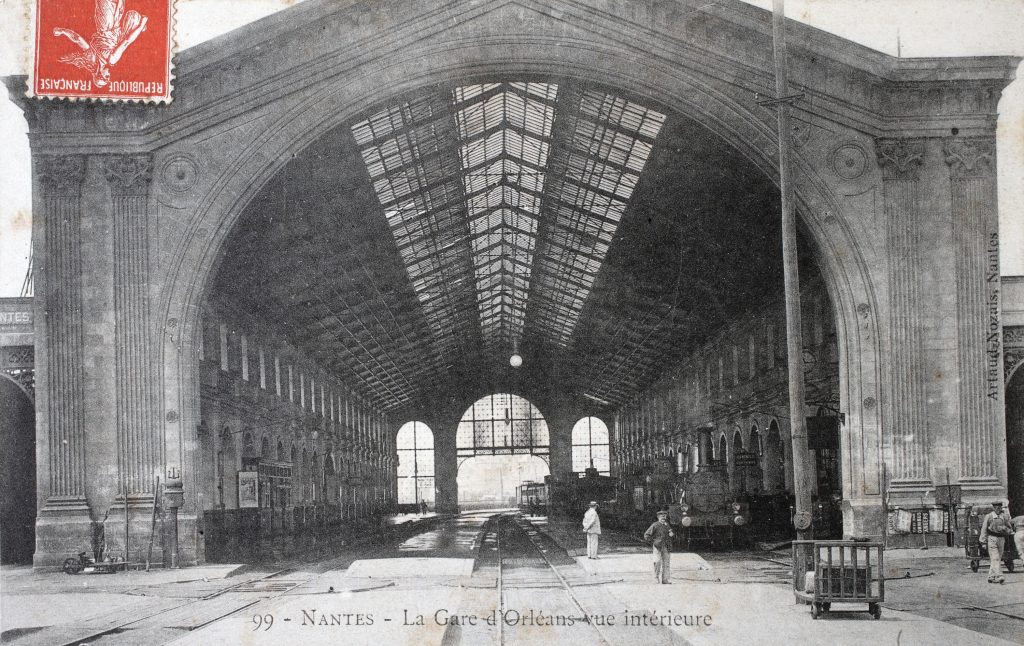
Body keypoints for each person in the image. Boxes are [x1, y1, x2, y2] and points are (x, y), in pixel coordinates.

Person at [980, 500, 1013, 583]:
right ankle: (999, 576)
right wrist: (983, 542)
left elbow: (1009, 528)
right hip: (992, 539)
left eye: (1000, 507)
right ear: (993, 508)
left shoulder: (1004, 516)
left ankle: (991, 576)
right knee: (995, 557)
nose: (998, 509)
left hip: (1001, 539)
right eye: (996, 507)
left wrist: (1006, 530)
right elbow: (984, 529)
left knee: (997, 558)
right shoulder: (989, 516)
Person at [644, 509, 674, 584]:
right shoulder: (655, 525)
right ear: (658, 517)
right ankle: (656, 578)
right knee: (657, 562)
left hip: (666, 546)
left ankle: (665, 579)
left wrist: (672, 535)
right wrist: (654, 542)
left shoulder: (667, 525)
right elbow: (646, 535)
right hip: (658, 547)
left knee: (666, 563)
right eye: (661, 516)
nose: (663, 517)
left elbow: (671, 535)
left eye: (664, 516)